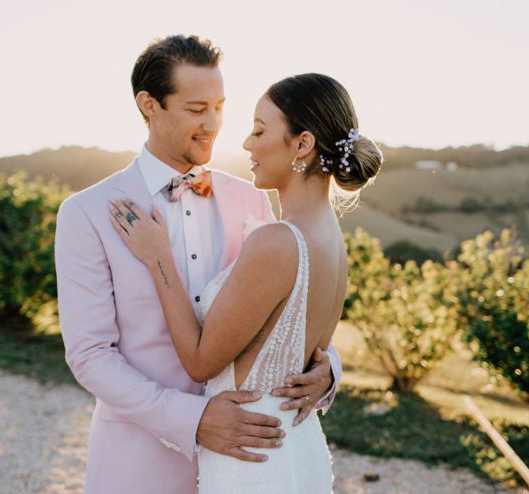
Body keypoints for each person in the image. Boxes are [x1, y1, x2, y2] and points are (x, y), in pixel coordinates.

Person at [54, 35, 341, 494]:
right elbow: (90, 355)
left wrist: (329, 372)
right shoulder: (87, 213)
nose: (213, 125)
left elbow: (289, 306)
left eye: (220, 107)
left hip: (248, 461)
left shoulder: (251, 199)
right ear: (149, 105)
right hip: (139, 461)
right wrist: (194, 420)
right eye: (195, 109)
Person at [110, 72, 383, 492]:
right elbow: (309, 350)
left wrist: (158, 257)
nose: (245, 144)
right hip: (298, 446)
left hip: (254, 457)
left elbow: (202, 362)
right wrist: (330, 373)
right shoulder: (331, 239)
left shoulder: (277, 240)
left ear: (303, 144)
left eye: (259, 130)